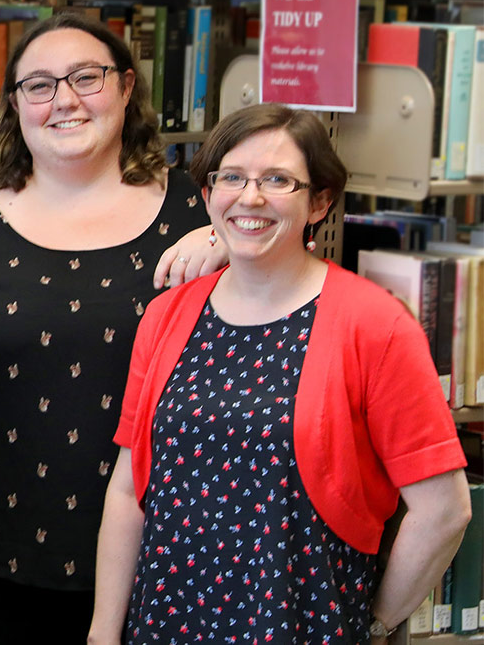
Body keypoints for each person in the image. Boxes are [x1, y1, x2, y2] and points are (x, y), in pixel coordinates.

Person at [0, 12, 221, 643]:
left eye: (85, 78)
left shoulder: (200, 215)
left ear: (125, 88)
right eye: (39, 85)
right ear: (15, 107)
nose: (64, 99)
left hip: (168, 560)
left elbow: (290, 302)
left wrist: (232, 245)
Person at [90, 104, 473, 645]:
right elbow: (130, 490)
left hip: (298, 628)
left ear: (319, 202)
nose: (250, 197)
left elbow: (445, 511)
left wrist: (375, 622)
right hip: (165, 626)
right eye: (232, 178)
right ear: (207, 195)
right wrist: (103, 632)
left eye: (278, 180)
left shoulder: (375, 325)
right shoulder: (167, 316)